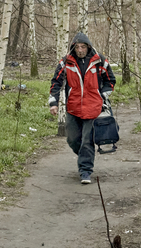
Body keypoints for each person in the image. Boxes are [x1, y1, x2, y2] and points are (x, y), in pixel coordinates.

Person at [48, 32, 116, 184]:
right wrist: (53, 103)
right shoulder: (66, 62)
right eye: (77, 47)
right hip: (73, 108)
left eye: (83, 47)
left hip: (93, 108)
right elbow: (56, 82)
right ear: (73, 48)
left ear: (88, 47)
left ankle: (85, 171)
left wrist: (102, 95)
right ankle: (85, 156)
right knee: (72, 140)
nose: (80, 50)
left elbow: (110, 80)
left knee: (87, 141)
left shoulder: (99, 61)